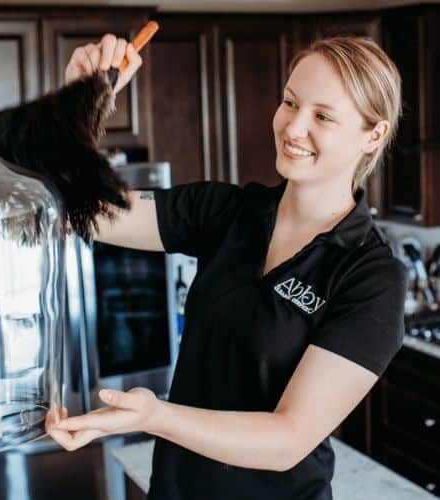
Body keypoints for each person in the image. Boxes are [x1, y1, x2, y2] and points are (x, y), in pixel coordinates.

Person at [46, 34, 407, 500]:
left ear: (373, 134)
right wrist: (80, 104)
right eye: (289, 102)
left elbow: (287, 439)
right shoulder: (229, 212)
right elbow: (85, 210)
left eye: (322, 116)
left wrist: (154, 416)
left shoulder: (370, 277)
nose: (293, 128)